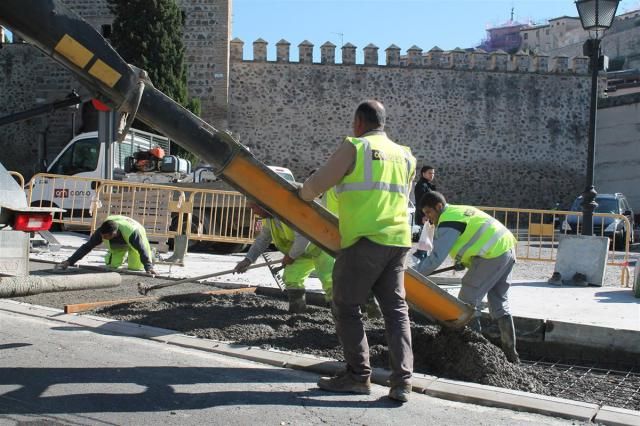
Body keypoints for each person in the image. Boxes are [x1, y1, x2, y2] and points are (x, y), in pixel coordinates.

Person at [300, 99, 416, 403]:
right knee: (396, 312)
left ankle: (357, 376)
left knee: (346, 306)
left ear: (359, 123)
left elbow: (315, 187)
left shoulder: (355, 146)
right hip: (399, 241)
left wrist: (302, 192)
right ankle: (402, 383)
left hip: (364, 240)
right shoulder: (406, 155)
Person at [414, 191, 519, 363]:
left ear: (439, 207)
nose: (427, 218)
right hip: (506, 249)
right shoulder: (458, 211)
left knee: (467, 300)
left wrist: (410, 274)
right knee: (499, 303)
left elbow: (434, 259)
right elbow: (473, 237)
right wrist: (464, 261)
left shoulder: (448, 221)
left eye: (428, 212)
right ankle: (511, 354)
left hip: (492, 255)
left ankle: (476, 352)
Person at [234, 201, 335, 313]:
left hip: (320, 249)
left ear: (263, 205)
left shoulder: (290, 213)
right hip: (300, 254)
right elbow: (262, 239)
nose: (253, 212)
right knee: (291, 279)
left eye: (254, 208)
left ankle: (343, 317)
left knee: (330, 281)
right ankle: (297, 312)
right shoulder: (268, 220)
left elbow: (303, 238)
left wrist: (291, 256)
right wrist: (248, 260)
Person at [57, 215, 157, 276]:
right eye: (102, 236)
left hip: (135, 234)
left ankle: (151, 254)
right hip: (118, 240)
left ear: (114, 233)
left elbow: (141, 249)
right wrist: (69, 261)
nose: (103, 238)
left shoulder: (132, 233)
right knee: (113, 266)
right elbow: (87, 247)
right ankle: (122, 254)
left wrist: (149, 267)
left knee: (135, 267)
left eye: (105, 236)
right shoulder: (102, 231)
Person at [413, 165, 436, 260]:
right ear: (423, 173)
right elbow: (420, 202)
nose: (432, 175)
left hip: (429, 215)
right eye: (430, 173)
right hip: (425, 216)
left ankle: (422, 255)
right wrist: (424, 215)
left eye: (433, 173)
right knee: (425, 237)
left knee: (427, 237)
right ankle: (420, 255)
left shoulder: (427, 185)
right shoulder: (421, 185)